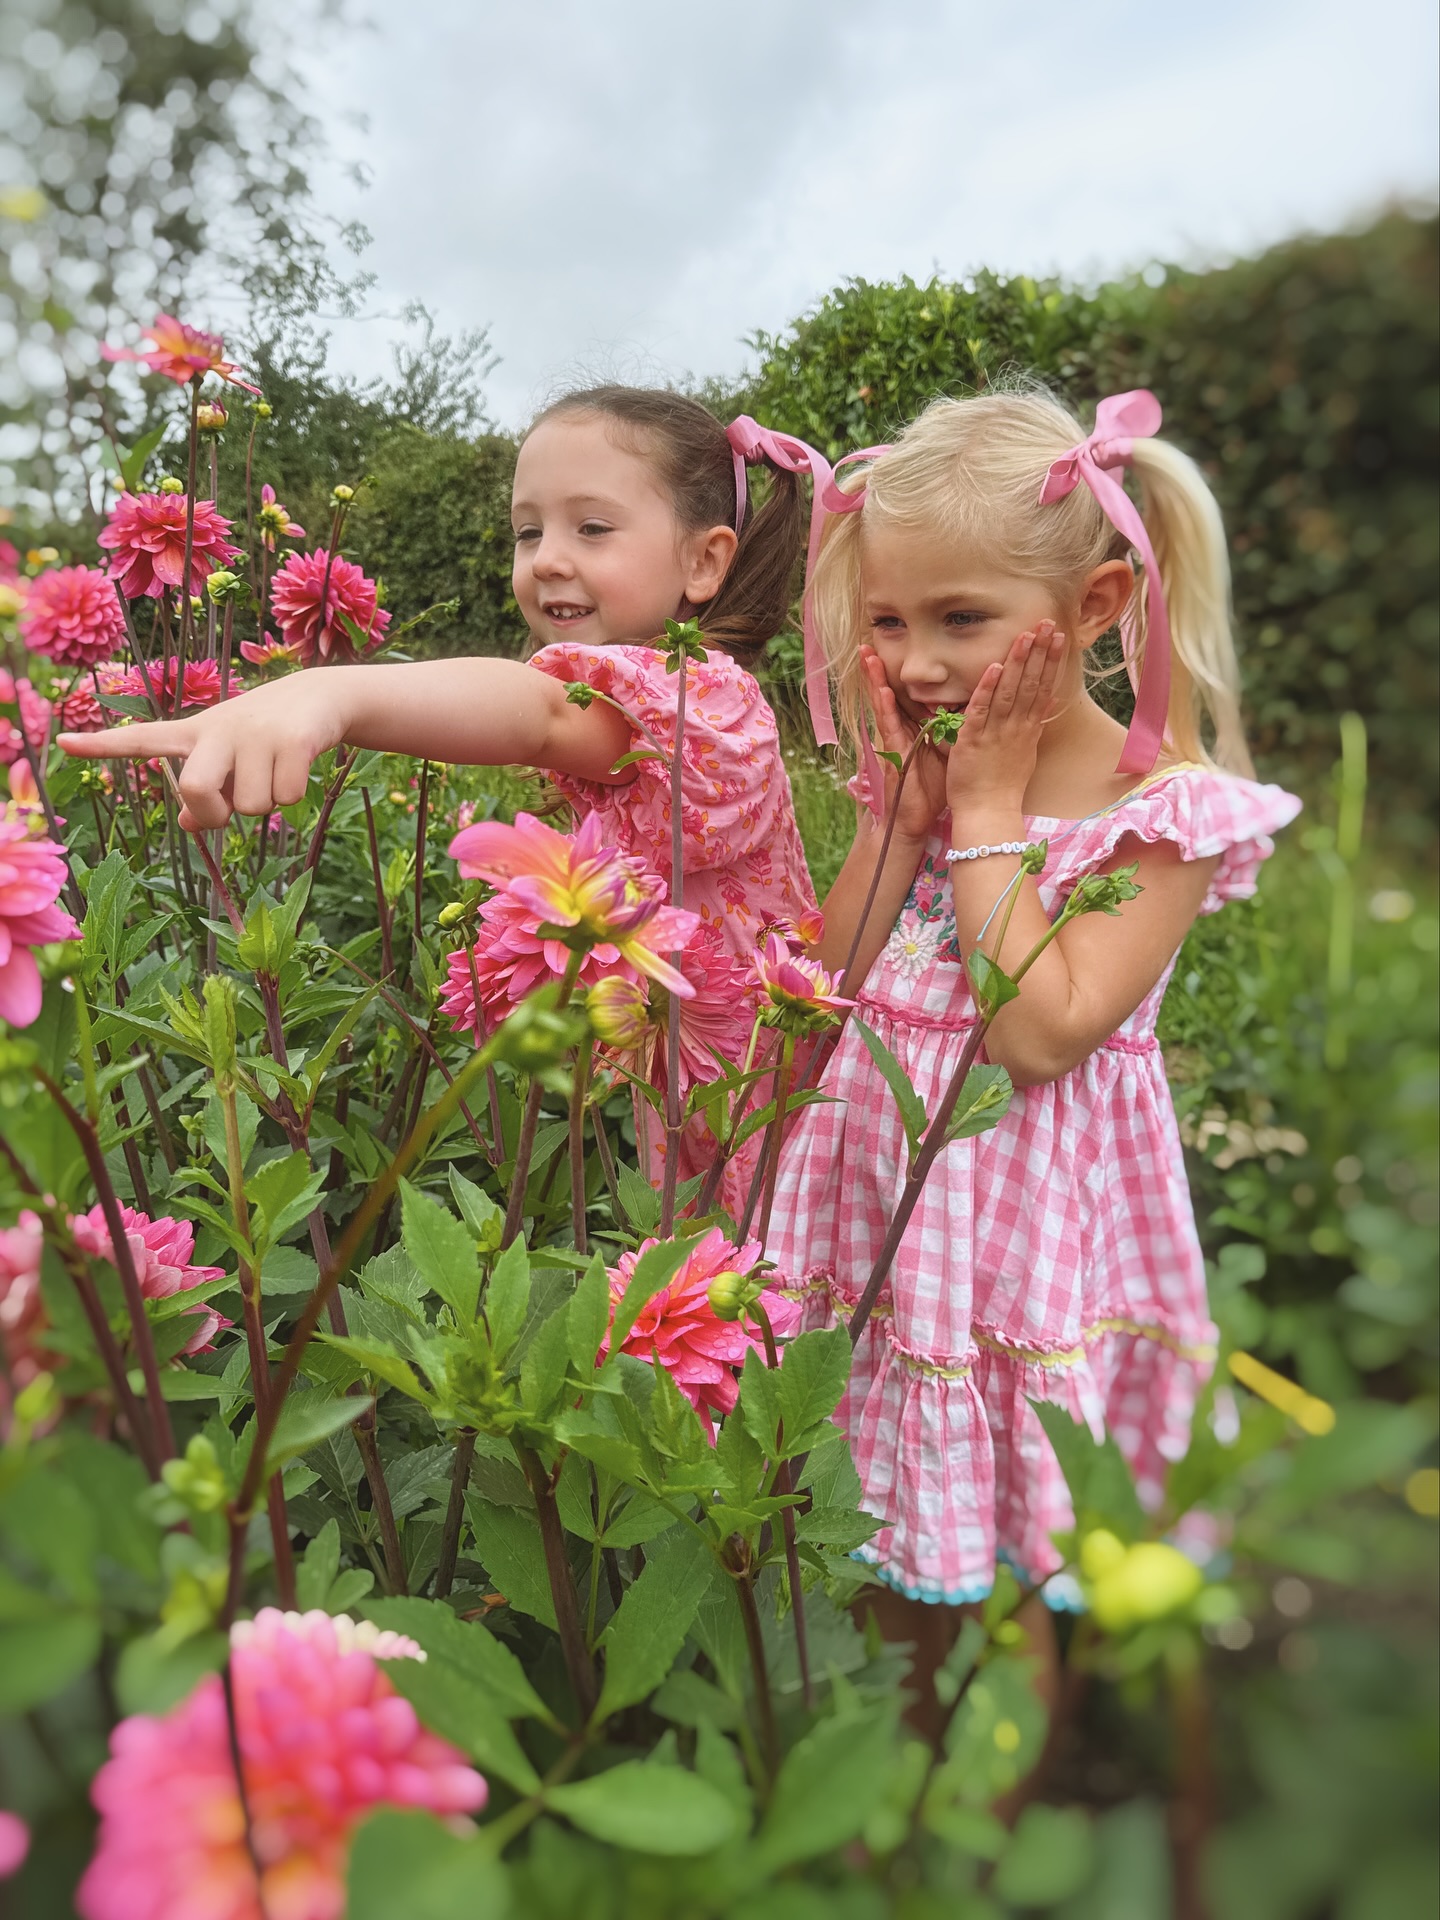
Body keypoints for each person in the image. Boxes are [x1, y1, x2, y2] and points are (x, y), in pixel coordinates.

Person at [764, 385, 1301, 1708]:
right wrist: (897, 824)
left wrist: (988, 810)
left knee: (1005, 1569)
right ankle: (880, 1794)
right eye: (889, 621)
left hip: (1021, 1253)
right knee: (883, 1551)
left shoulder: (1161, 810)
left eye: (962, 618)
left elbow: (1044, 1030)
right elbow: (820, 989)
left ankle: (979, 1836)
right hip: (883, 1234)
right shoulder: (942, 772)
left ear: (1100, 608)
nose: (921, 660)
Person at [61, 386, 822, 1203]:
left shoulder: (703, 704)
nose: (548, 559)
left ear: (704, 561)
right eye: (528, 531)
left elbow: (533, 714)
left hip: (767, 1100)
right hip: (701, 1083)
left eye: (592, 528)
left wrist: (332, 697)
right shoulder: (649, 707)